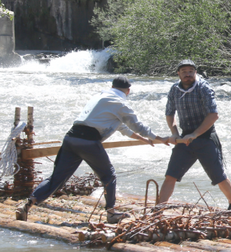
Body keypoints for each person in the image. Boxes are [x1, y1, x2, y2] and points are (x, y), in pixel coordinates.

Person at [16, 76, 167, 223]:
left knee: (56, 178)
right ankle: (111, 213)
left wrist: (143, 140)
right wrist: (157, 137)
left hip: (70, 138)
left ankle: (28, 203)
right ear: (128, 91)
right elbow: (137, 126)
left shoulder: (99, 97)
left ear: (112, 87)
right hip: (88, 142)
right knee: (109, 176)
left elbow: (122, 127)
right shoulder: (120, 104)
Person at [158, 59, 231, 209]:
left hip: (205, 138)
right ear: (178, 74)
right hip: (184, 140)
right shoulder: (174, 89)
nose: (188, 74)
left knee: (219, 176)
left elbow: (213, 115)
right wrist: (174, 134)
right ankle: (159, 209)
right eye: (184, 72)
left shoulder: (203, 88)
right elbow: (169, 114)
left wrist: (195, 134)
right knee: (171, 175)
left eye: (190, 71)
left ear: (195, 73)